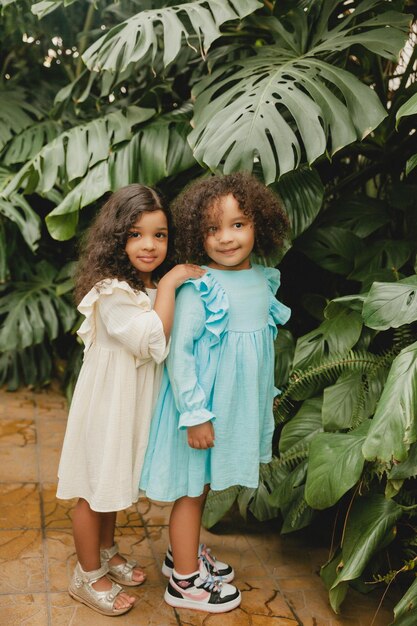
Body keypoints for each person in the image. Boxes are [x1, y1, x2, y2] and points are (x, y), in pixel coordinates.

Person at [140, 172, 291, 613]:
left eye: (237, 224)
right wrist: (195, 414)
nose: (226, 238)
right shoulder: (198, 287)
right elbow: (179, 355)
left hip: (233, 409)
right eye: (212, 229)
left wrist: (268, 394)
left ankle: (179, 556)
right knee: (192, 491)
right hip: (201, 412)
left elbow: (260, 348)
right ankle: (184, 582)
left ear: (258, 224)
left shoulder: (264, 281)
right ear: (196, 235)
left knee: (203, 486)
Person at [56, 184, 205, 617]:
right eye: (137, 234)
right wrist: (176, 280)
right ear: (117, 237)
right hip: (107, 405)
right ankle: (86, 575)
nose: (150, 245)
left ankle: (106, 551)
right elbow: (151, 339)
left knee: (114, 483)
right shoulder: (110, 291)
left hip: (131, 404)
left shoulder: (148, 285)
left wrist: (167, 284)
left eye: (160, 235)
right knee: (92, 489)